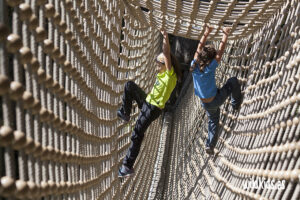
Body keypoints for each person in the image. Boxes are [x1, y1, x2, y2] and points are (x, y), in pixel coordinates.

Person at [117, 30, 182, 177]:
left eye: (158, 63)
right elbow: (164, 55)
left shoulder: (170, 75)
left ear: (165, 64)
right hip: (148, 102)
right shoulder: (162, 74)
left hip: (153, 109)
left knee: (137, 134)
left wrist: (165, 36)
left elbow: (166, 53)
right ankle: (125, 113)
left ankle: (127, 166)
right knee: (129, 86)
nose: (156, 65)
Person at [190, 25, 242, 155]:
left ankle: (210, 145)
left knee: (213, 121)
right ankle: (235, 104)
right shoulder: (210, 68)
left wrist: (206, 32)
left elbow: (198, 49)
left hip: (205, 103)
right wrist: (225, 33)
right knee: (233, 81)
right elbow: (221, 51)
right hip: (216, 99)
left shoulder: (194, 67)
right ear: (211, 59)